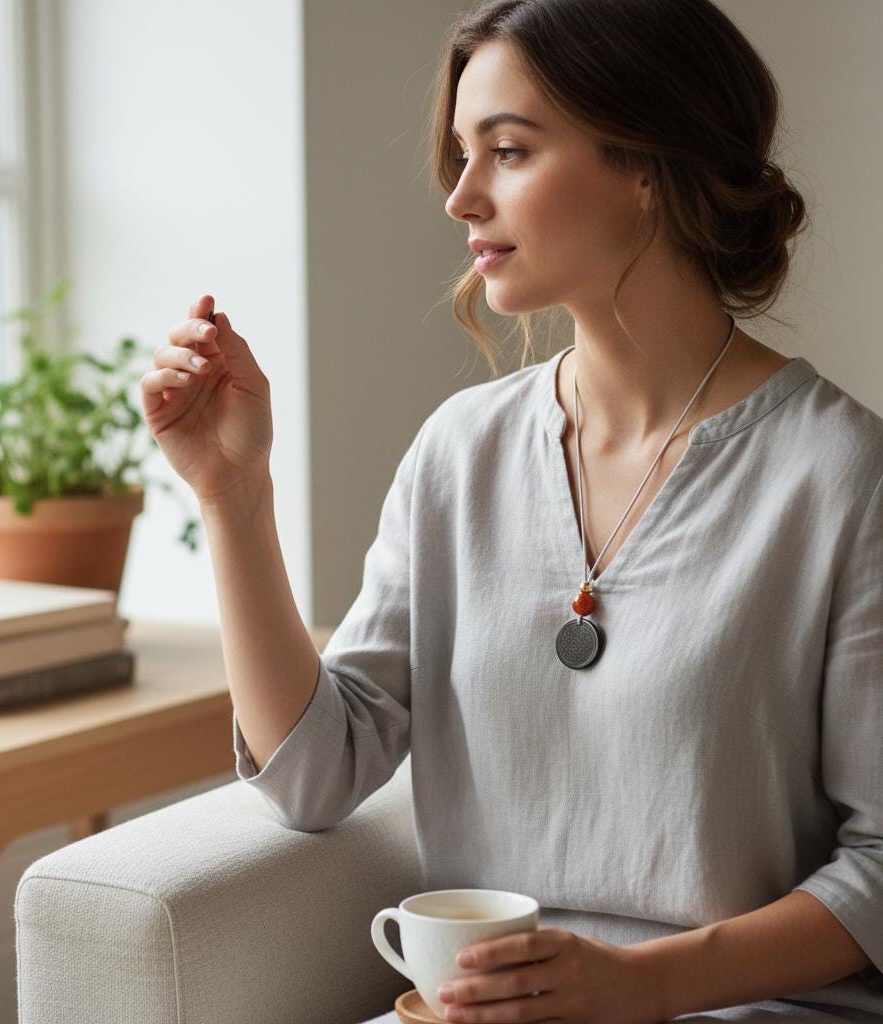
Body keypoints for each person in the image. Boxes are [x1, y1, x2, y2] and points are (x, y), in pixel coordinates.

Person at [141, 0, 883, 1021]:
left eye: (507, 151)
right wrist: (232, 498)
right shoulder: (460, 451)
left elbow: (880, 862)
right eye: (459, 155)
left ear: (645, 167)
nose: (458, 197)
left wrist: (641, 981)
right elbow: (312, 775)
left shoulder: (840, 475)